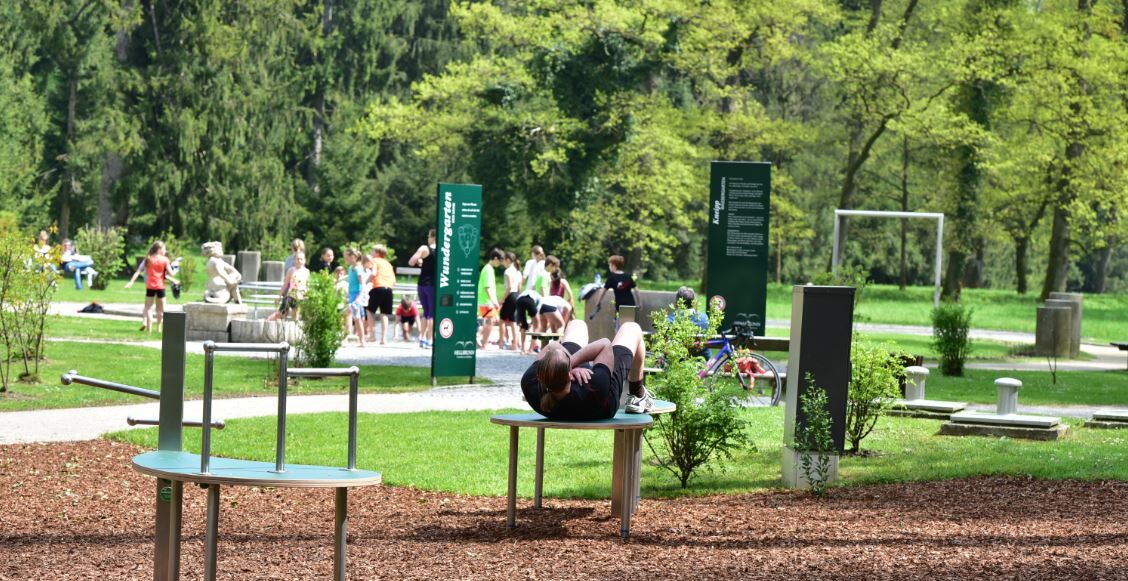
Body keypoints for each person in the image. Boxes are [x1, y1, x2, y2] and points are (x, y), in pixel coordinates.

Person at [520, 319, 654, 420]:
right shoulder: (595, 385)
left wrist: (568, 367)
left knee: (577, 324)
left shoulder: (530, 384)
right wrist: (572, 363)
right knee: (631, 328)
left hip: (575, 393)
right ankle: (637, 395)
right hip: (604, 402)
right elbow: (605, 345)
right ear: (569, 376)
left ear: (540, 373)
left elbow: (552, 346)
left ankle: (566, 362)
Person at [125, 241, 178, 333]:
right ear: (159, 249)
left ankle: (149, 330)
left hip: (150, 287)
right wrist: (176, 268)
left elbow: (138, 271)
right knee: (160, 310)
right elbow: (171, 274)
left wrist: (131, 282)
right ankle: (159, 329)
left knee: (148, 308)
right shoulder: (165, 260)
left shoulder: (148, 259)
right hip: (160, 287)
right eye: (164, 249)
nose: (165, 251)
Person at [408, 230, 437, 348]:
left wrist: (420, 260)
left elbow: (411, 262)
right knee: (432, 313)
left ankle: (422, 338)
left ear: (432, 237)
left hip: (422, 284)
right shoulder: (443, 251)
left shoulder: (425, 249)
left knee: (425, 312)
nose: (428, 238)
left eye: (428, 236)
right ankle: (430, 340)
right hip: (433, 285)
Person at [367, 244, 396, 344]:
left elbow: (373, 273)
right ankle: (384, 339)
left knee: (370, 311)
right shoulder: (388, 263)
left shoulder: (374, 260)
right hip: (389, 288)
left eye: (372, 251)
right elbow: (394, 280)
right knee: (384, 313)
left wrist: (365, 282)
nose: (371, 252)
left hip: (378, 286)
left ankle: (372, 336)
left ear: (377, 253)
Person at [268, 252, 310, 321]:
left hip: (301, 297)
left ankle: (294, 330)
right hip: (291, 296)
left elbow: (308, 285)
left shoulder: (307, 271)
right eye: (297, 259)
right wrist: (279, 297)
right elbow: (285, 285)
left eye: (301, 259)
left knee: (296, 318)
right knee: (282, 313)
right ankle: (274, 319)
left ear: (304, 260)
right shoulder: (291, 270)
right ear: (294, 260)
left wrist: (307, 295)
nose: (299, 261)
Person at [477, 248, 503, 349]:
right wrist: (494, 302)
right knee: (491, 321)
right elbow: (487, 288)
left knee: (491, 321)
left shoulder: (488, 269)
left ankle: (479, 338)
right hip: (486, 300)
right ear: (495, 258)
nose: (500, 263)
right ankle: (483, 344)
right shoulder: (488, 269)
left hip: (485, 300)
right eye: (499, 261)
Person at [344, 248, 370, 347]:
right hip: (351, 294)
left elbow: (362, 283)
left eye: (347, 257)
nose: (345, 259)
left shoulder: (358, 268)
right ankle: (360, 339)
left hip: (356, 295)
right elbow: (349, 277)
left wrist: (359, 297)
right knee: (355, 317)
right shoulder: (351, 267)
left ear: (353, 257)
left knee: (355, 317)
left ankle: (360, 340)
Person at [499, 251, 523, 350]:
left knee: (502, 320)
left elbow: (509, 287)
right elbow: (519, 287)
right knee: (513, 321)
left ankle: (501, 343)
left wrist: (502, 299)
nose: (503, 263)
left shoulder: (508, 271)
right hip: (517, 295)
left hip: (510, 295)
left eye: (503, 260)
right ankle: (515, 344)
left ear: (508, 260)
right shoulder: (517, 271)